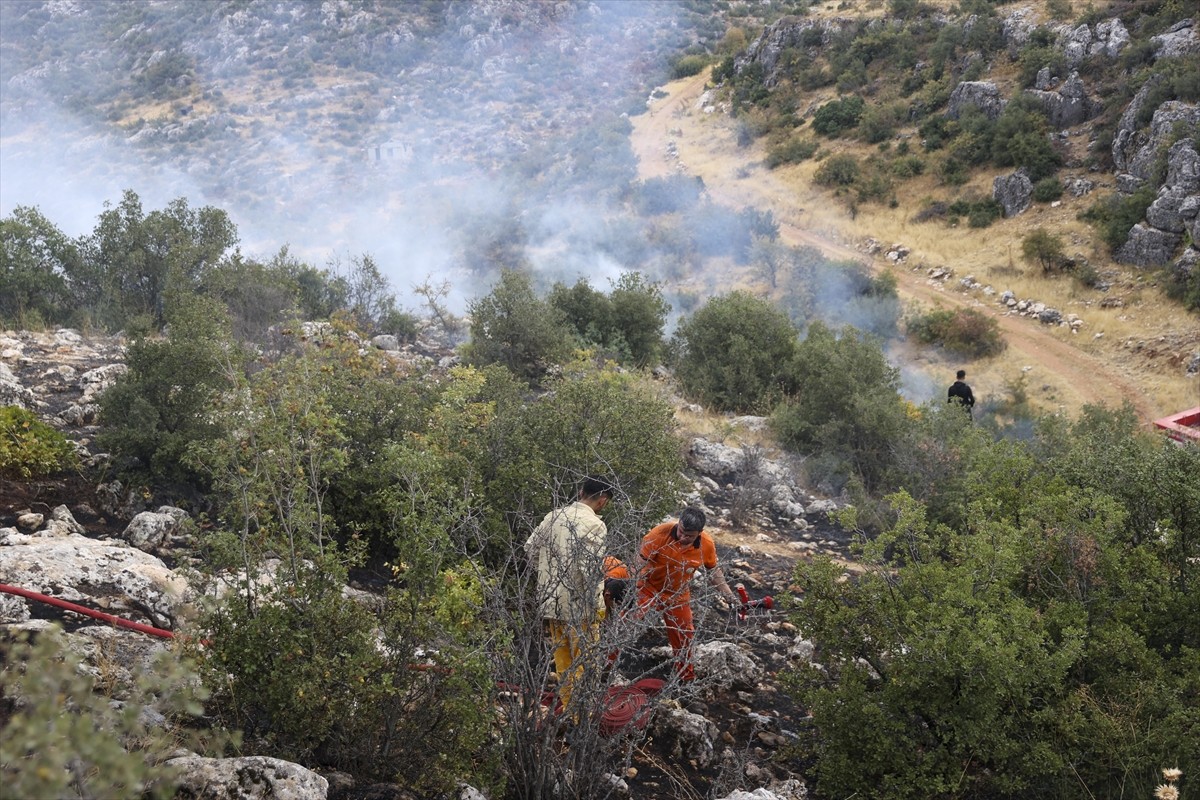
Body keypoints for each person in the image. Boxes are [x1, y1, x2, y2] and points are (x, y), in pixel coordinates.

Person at [524, 477, 614, 709]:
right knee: (586, 662)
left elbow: (530, 549)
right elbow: (589, 571)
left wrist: (548, 574)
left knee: (563, 661)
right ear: (602, 501)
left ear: (581, 491)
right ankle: (583, 715)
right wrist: (598, 607)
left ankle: (569, 711)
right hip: (579, 606)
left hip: (551, 601)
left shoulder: (553, 516)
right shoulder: (595, 525)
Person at [635, 507, 739, 682]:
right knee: (626, 624)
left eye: (689, 536)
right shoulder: (659, 534)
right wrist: (632, 589)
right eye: (681, 531)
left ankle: (685, 679)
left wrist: (729, 596)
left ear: (699, 533)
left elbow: (713, 571)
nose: (683, 537)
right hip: (648, 587)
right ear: (679, 523)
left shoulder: (706, 544)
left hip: (677, 593)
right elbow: (638, 564)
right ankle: (606, 668)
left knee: (684, 635)